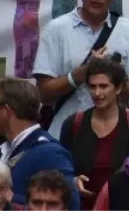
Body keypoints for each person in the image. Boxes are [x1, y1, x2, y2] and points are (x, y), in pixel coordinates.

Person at [33, 0, 129, 137]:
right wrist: (82, 73)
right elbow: (44, 95)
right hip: (66, 135)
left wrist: (112, 74)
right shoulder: (56, 29)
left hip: (115, 139)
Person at [57, 59, 129, 211]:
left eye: (103, 86)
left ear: (118, 88)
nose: (97, 93)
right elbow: (60, 169)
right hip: (82, 205)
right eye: (92, 87)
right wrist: (71, 180)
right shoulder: (74, 123)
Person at [0, 78, 78, 210]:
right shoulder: (6, 148)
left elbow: (71, 205)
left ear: (6, 111)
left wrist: (11, 198)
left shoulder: (49, 153)